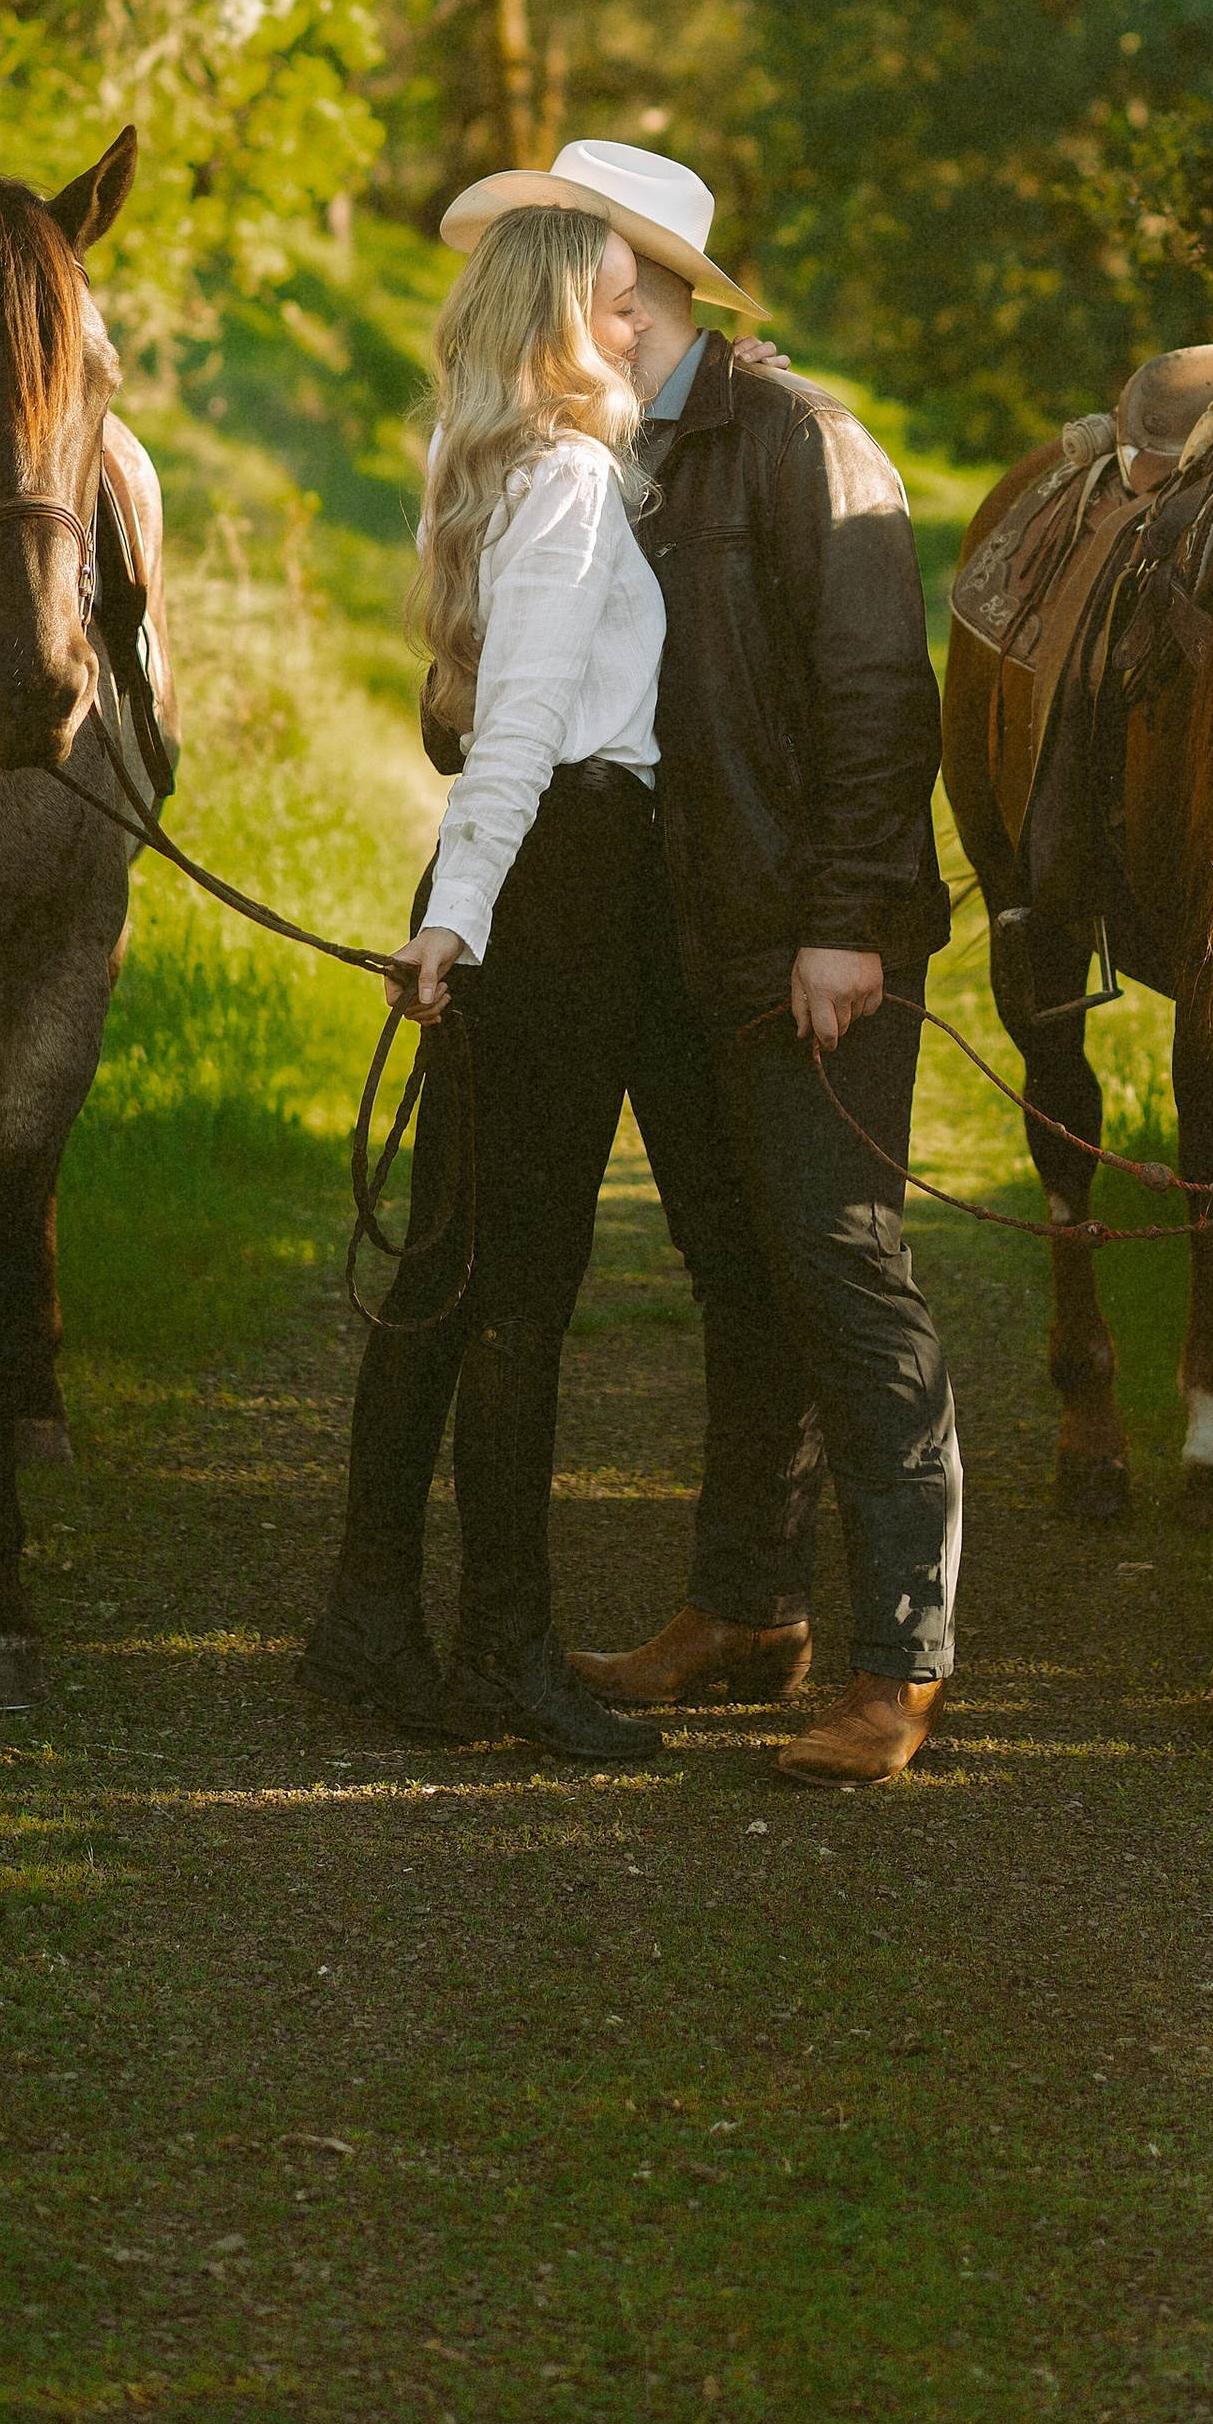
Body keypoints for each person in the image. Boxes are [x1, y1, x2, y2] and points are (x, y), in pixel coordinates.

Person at [435, 142, 962, 1789]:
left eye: (568, 257)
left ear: (632, 281)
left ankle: (901, 1661)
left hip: (803, 944)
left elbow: (881, 695)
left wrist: (849, 918)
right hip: (661, 948)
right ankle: (745, 1609)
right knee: (741, 1279)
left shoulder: (804, 443)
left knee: (844, 1271)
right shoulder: (603, 455)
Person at [297, 202, 675, 1764]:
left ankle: (369, 1624)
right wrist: (462, 922)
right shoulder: (574, 481)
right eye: (618, 306)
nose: (641, 329)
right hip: (560, 886)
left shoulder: (506, 477)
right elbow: (517, 730)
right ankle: (501, 1654)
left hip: (521, 883)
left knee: (449, 1269)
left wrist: (460, 910)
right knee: (519, 1285)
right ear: (557, 324)